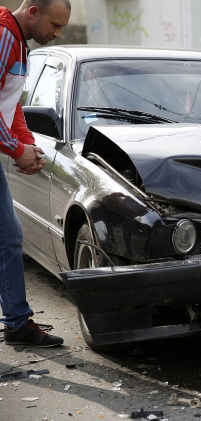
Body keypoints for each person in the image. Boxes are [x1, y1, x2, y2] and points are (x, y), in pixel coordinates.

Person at [1, 0, 71, 348]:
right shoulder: (2, 36)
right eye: (55, 25)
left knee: (8, 237)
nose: (57, 34)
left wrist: (27, 145)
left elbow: (9, 104)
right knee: (7, 237)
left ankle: (17, 323)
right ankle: (16, 321)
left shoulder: (18, 43)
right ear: (33, 12)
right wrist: (16, 150)